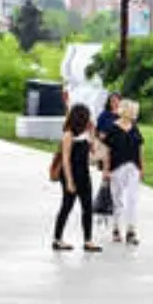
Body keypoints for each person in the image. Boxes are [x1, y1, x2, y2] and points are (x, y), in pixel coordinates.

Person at [53, 104, 101, 253]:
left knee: (87, 208)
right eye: (87, 116)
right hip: (70, 174)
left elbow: (94, 154)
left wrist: (93, 135)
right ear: (81, 118)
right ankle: (57, 239)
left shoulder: (86, 134)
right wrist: (69, 181)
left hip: (84, 173)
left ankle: (88, 240)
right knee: (67, 206)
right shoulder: (69, 135)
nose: (90, 119)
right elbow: (66, 160)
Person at [104, 98, 144, 245]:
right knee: (117, 199)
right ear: (126, 111)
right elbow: (107, 151)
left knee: (132, 199)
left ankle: (131, 231)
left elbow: (140, 148)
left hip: (133, 167)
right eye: (133, 111)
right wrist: (106, 170)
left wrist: (141, 167)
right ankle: (116, 229)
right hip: (116, 167)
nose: (135, 114)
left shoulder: (135, 128)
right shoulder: (113, 128)